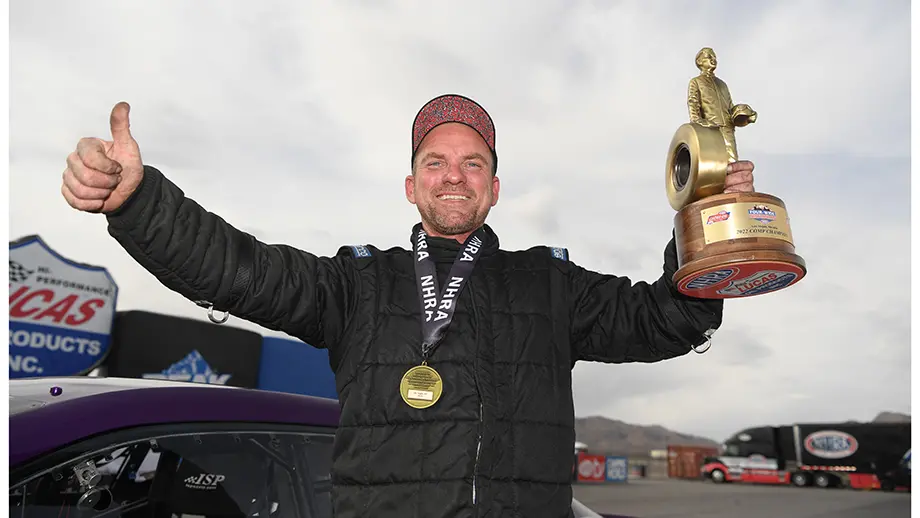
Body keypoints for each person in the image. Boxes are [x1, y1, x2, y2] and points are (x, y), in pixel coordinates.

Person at [61, 94, 756, 518]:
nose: (454, 175)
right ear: (411, 185)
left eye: (473, 163)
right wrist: (140, 203)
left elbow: (663, 318)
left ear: (493, 188)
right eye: (436, 162)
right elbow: (240, 269)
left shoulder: (551, 285)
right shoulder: (355, 284)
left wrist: (710, 223)